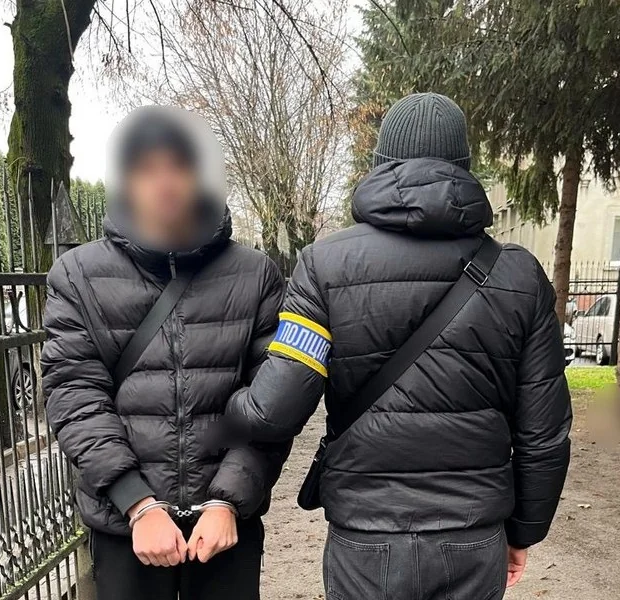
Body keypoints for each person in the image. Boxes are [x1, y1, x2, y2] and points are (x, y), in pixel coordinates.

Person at [226, 93, 572, 600]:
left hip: (366, 538)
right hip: (474, 536)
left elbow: (272, 411)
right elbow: (545, 432)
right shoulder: (519, 274)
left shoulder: (324, 266)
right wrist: (524, 532)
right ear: (464, 166)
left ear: (381, 164)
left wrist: (225, 398)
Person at [42, 106, 289, 600]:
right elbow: (75, 394)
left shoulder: (255, 274)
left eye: (179, 166)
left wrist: (227, 500)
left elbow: (272, 400)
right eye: (147, 170)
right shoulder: (76, 275)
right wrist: (138, 504)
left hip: (224, 530)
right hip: (127, 527)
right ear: (126, 181)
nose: (166, 184)